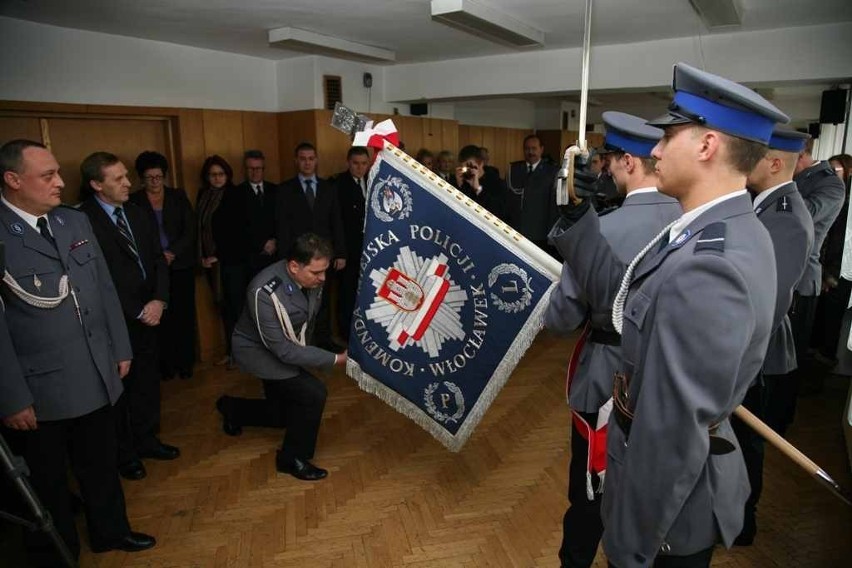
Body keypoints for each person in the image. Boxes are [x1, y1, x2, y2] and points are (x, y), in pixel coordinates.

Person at [552, 62, 788, 567]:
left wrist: (629, 545)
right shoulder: (714, 229)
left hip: (663, 515)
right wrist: (578, 220)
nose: (655, 150)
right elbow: (625, 298)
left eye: (669, 135)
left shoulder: (711, 264)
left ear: (706, 146)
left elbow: (670, 429)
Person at [0, 139, 155, 564]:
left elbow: (102, 288)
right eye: (47, 175)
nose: (60, 182)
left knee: (101, 464)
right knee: (48, 481)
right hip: (40, 387)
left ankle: (112, 532)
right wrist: (12, 396)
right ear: (13, 180)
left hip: (95, 370)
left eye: (58, 172)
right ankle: (58, 552)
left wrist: (120, 349)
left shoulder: (72, 222)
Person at [545, 112, 681, 568]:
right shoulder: (689, 224)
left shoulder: (600, 228)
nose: (603, 170)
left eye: (607, 161)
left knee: (589, 493)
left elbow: (562, 318)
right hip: (666, 378)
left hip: (606, 377)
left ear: (627, 163)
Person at [733, 127, 814, 545]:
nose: (744, 161)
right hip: (749, 350)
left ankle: (741, 525)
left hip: (757, 354)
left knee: (748, 445)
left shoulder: (785, 218)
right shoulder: (765, 207)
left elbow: (769, 303)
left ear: (776, 163)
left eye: (755, 155)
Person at [79, 151, 180, 481]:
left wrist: (159, 301)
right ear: (96, 184)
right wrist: (136, 309)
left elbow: (157, 260)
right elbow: (95, 278)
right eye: (118, 178)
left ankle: (148, 438)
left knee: (148, 382)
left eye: (126, 176)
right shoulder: (83, 221)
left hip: (151, 314)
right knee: (119, 389)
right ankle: (125, 454)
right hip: (113, 320)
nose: (128, 183)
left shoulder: (137, 212)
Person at [215, 233, 347, 480]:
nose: (323, 278)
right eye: (316, 273)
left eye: (325, 271)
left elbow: (306, 320)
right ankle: (292, 458)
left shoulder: (310, 278)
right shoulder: (263, 292)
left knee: (282, 414)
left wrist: (311, 353)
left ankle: (232, 409)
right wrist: (335, 359)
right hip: (259, 350)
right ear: (294, 266)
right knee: (313, 394)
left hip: (286, 343)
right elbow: (283, 350)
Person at [129, 150, 197, 380]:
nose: (155, 182)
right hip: (153, 269)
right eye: (150, 177)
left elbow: (190, 230)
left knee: (184, 316)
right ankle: (166, 367)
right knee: (161, 320)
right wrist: (158, 256)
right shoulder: (134, 201)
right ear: (141, 178)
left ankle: (186, 363)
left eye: (159, 176)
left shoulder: (178, 196)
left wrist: (172, 252)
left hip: (180, 266)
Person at [275, 142, 346, 352]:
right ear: (296, 161)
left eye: (311, 158)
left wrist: (340, 253)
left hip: (324, 256)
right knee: (298, 301)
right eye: (303, 158)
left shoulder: (328, 188)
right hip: (299, 257)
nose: (307, 162)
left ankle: (323, 340)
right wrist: (287, 258)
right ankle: (300, 343)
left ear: (316, 160)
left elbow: (336, 222)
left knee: (322, 300)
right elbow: (282, 226)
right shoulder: (285, 189)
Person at [790, 138, 846, 394]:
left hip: (801, 279)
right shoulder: (799, 179)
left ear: (799, 156)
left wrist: (780, 185)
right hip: (778, 274)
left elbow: (806, 216)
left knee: (789, 357)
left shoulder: (830, 185)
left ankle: (779, 421)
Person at [196, 155, 248, 367]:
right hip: (211, 264)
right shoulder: (204, 195)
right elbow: (199, 229)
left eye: (220, 174)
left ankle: (243, 354)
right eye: (212, 175)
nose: (217, 178)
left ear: (227, 175)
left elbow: (240, 231)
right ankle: (231, 352)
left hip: (232, 261)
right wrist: (201, 256)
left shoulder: (235, 195)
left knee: (238, 309)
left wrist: (220, 254)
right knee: (224, 309)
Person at [810, 153, 852, 366]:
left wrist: (830, 274)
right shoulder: (832, 196)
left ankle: (826, 358)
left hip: (837, 271)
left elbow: (840, 243)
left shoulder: (843, 203)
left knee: (831, 318)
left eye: (836, 170)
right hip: (825, 267)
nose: (831, 175)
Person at [333, 147, 369, 341]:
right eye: (356, 163)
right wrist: (340, 252)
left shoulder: (373, 180)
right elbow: (336, 220)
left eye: (364, 163)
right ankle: (346, 333)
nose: (360, 167)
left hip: (369, 248)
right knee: (347, 292)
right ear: (348, 163)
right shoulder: (338, 184)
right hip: (348, 249)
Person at [506, 134, 559, 252]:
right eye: (527, 148)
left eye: (534, 148)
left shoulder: (552, 172)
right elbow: (508, 201)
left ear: (541, 149)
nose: (530, 152)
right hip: (516, 231)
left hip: (540, 233)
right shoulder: (514, 170)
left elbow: (553, 208)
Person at [236, 149, 278, 278]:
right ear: (245, 169)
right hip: (250, 257)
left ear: (263, 169)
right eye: (250, 168)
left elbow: (282, 219)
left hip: (275, 255)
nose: (254, 172)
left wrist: (275, 241)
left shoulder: (276, 190)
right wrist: (262, 244)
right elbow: (237, 226)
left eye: (258, 168)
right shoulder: (236, 193)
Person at [455, 144, 509, 222]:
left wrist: (478, 189)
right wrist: (459, 186)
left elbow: (499, 212)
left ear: (481, 164)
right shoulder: (461, 182)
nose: (468, 171)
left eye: (470, 166)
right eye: (465, 168)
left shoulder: (497, 183)